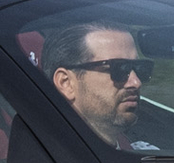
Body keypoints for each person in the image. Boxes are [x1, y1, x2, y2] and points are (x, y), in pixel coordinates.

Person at [45, 22, 157, 151]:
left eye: (140, 68)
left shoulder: (145, 153)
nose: (136, 82)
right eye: (119, 68)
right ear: (66, 83)